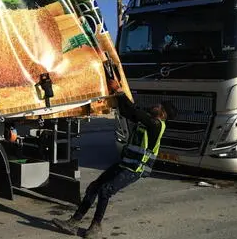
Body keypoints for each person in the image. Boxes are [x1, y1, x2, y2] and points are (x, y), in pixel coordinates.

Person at [51, 78, 177, 238]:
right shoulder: (148, 121)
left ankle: (95, 228)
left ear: (163, 113)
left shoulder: (156, 125)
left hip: (134, 170)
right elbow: (128, 112)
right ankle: (73, 221)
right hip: (124, 164)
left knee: (105, 190)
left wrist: (120, 91)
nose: (155, 106)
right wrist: (116, 95)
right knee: (93, 187)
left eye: (158, 106)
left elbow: (135, 112)